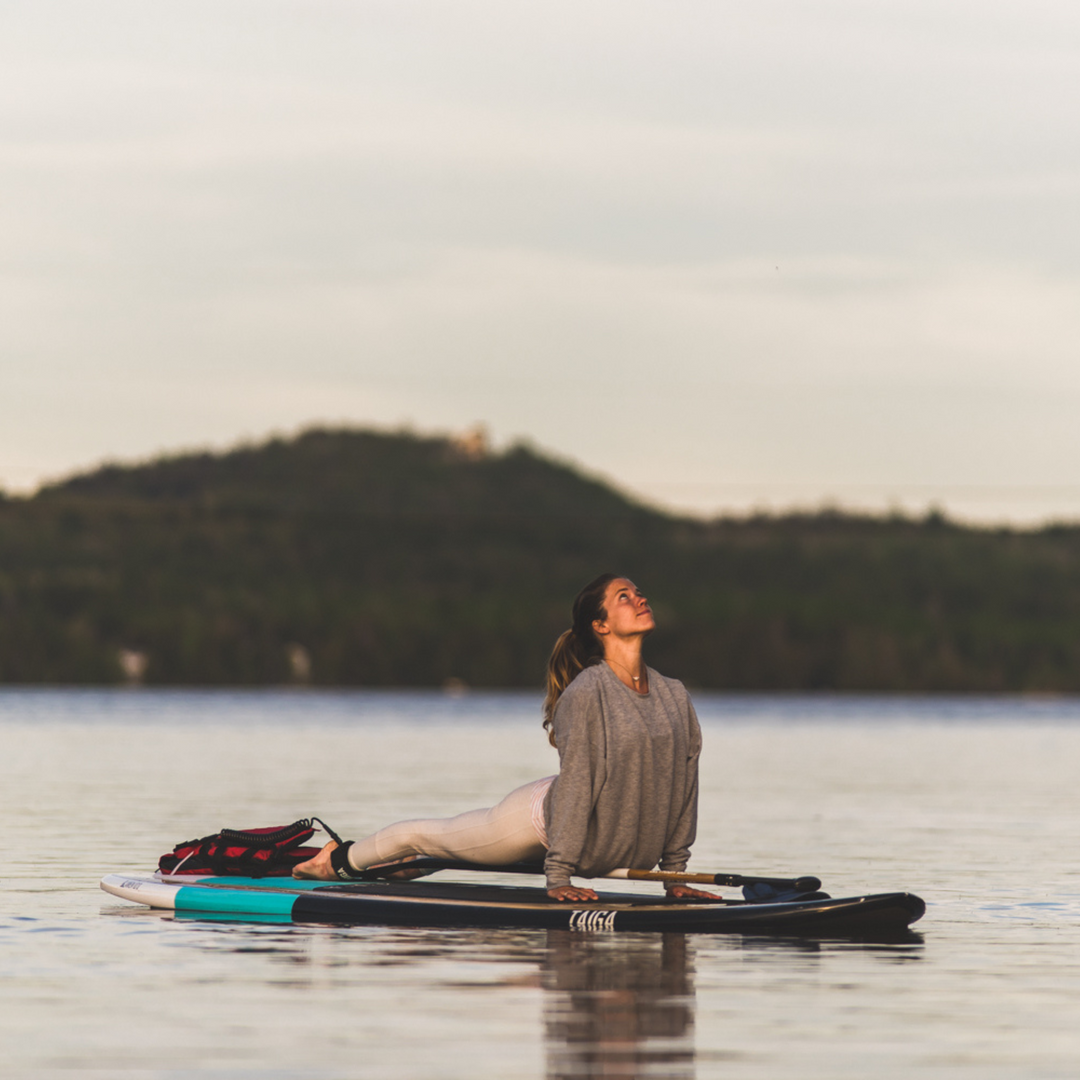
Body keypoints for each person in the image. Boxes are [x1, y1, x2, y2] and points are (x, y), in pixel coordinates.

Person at [293, 574, 715, 901]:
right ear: (600, 625)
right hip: (546, 823)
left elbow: (684, 786)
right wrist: (559, 876)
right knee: (426, 837)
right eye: (624, 596)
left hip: (600, 838)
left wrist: (674, 877)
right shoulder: (588, 693)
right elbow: (578, 786)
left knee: (442, 854)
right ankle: (334, 861)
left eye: (639, 592)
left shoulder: (674, 695)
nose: (640, 598)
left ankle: (397, 868)